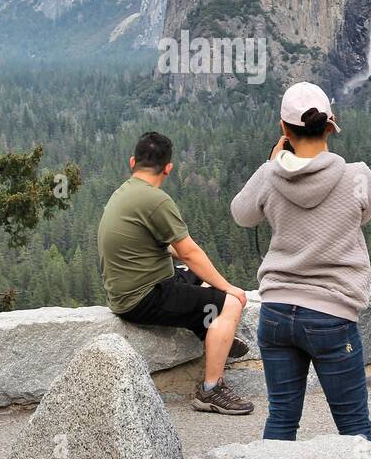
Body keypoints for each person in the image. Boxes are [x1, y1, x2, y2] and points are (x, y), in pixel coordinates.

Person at [230, 82, 371, 440]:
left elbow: (241, 214)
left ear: (283, 129)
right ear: (330, 125)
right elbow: (364, 214)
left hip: (277, 311)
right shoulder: (358, 175)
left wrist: (272, 164)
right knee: (355, 428)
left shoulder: (270, 175)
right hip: (332, 314)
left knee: (281, 419)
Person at [98, 131, 254, 415]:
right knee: (229, 303)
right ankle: (211, 389)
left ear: (133, 162)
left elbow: (162, 247)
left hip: (128, 291)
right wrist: (230, 288)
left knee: (194, 277)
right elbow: (189, 252)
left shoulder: (124, 192)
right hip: (144, 297)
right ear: (168, 168)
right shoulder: (155, 200)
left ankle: (211, 332)